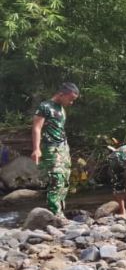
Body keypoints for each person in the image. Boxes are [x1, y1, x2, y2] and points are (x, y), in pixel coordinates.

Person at [31, 82, 80, 216]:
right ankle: (55, 213)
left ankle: (60, 211)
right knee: (56, 178)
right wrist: (36, 149)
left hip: (63, 147)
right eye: (70, 99)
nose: (71, 103)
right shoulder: (45, 106)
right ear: (61, 94)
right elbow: (37, 128)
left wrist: (66, 148)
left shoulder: (61, 109)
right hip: (50, 147)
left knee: (65, 178)